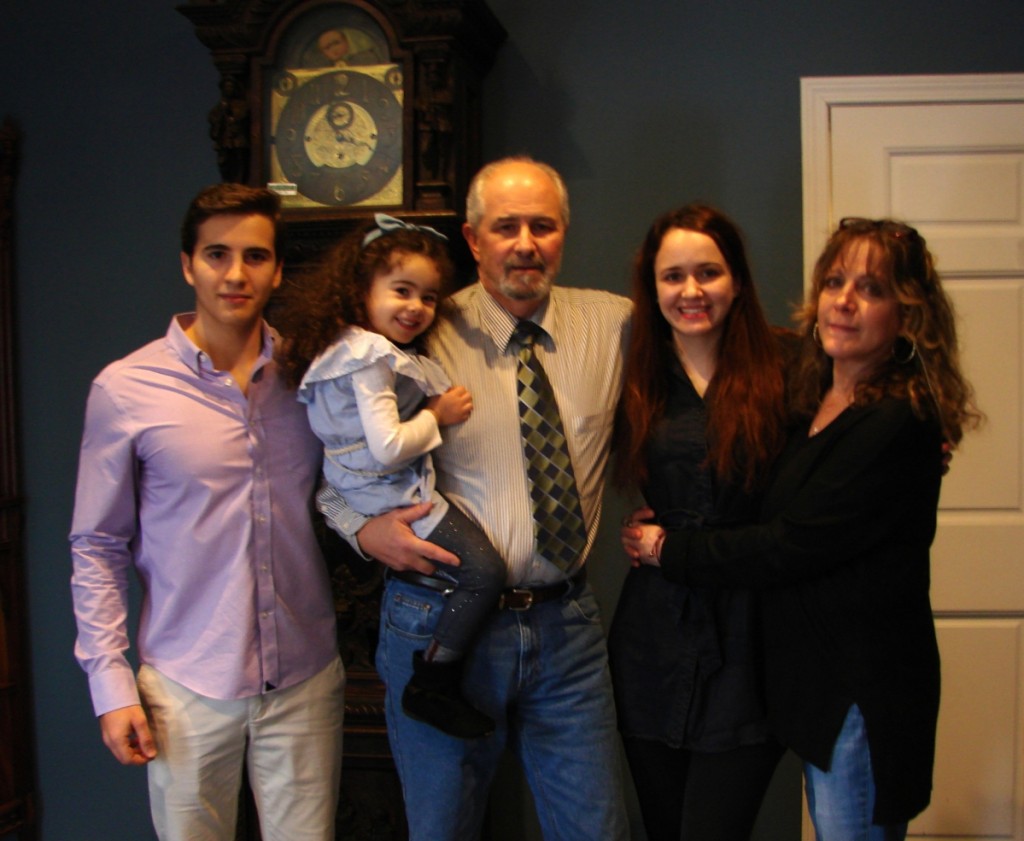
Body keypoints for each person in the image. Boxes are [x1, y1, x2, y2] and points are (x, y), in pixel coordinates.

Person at [624, 218, 981, 840]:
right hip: (699, 650)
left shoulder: (835, 389)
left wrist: (668, 546)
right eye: (836, 282)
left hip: (812, 665)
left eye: (870, 289)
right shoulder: (807, 388)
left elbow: (794, 539)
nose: (844, 302)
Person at [318, 156, 632, 840]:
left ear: (564, 234)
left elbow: (718, 353)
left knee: (598, 829)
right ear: (473, 237)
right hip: (438, 621)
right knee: (442, 829)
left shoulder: (614, 324)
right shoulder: (414, 329)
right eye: (506, 226)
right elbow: (333, 461)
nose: (526, 242)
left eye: (542, 226)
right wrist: (359, 530)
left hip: (565, 627)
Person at [69, 184, 345, 841]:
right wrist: (111, 684)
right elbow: (97, 545)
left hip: (304, 679)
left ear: (277, 270)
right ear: (188, 264)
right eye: (217, 254)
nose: (236, 273)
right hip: (186, 686)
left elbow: (354, 486)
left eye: (255, 256)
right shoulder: (125, 389)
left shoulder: (315, 377)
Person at [274, 213, 505, 740]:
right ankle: (435, 680)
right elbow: (387, 448)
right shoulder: (369, 357)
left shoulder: (350, 351)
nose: (416, 307)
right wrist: (436, 417)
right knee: (484, 572)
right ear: (361, 290)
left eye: (427, 297)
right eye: (401, 290)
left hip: (366, 489)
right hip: (387, 492)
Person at [607, 204, 789, 840]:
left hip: (752, 638)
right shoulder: (630, 378)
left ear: (736, 279)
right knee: (662, 828)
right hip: (652, 640)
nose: (690, 291)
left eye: (707, 272)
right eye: (672, 276)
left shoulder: (791, 369)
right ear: (651, 287)